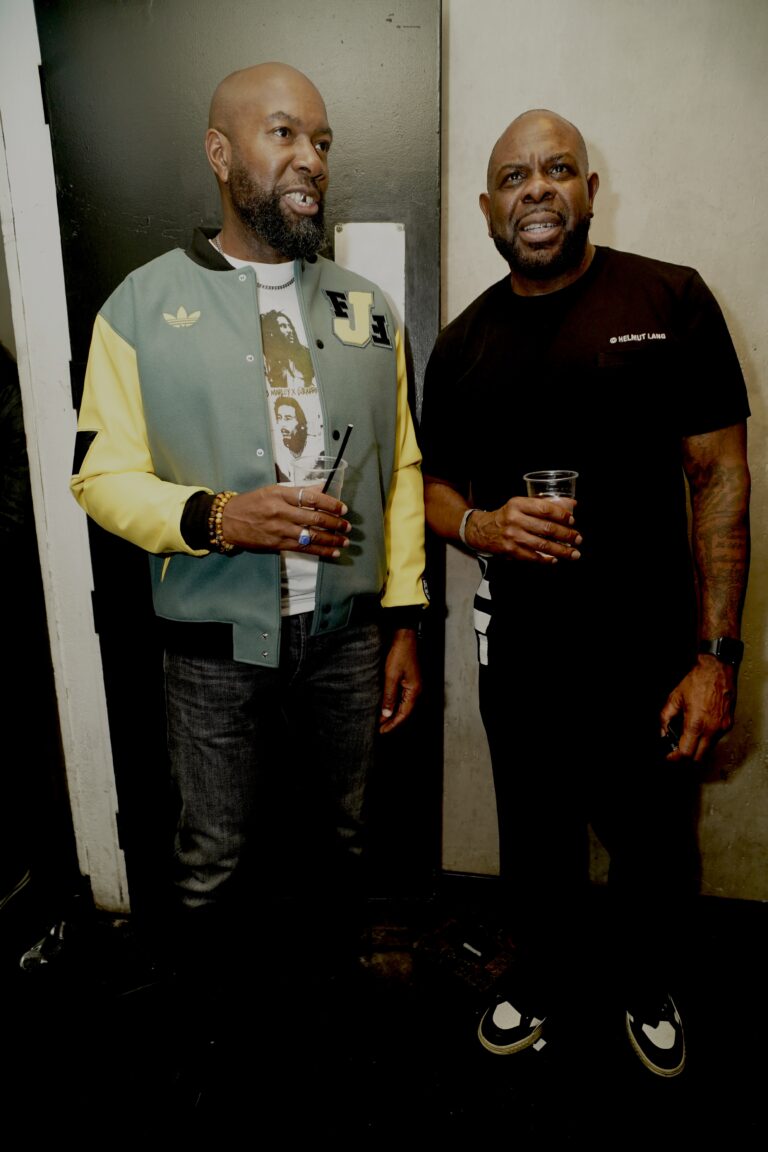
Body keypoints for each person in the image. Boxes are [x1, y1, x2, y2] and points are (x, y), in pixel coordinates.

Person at [70, 62, 428, 1035]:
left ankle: (333, 1011)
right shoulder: (137, 308)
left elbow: (401, 469)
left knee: (344, 838)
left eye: (322, 140)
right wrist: (220, 518)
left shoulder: (369, 310)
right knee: (214, 858)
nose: (311, 158)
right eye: (283, 134)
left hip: (348, 639)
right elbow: (100, 477)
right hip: (212, 649)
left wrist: (403, 619)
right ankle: (208, 1033)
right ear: (220, 154)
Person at [418, 109, 751, 1078]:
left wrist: (716, 659)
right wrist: (483, 526)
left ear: (588, 191)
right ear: (488, 207)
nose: (535, 188)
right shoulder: (463, 344)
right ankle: (544, 979)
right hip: (522, 656)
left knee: (654, 846)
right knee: (536, 843)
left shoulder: (671, 298)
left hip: (651, 654)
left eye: (556, 168)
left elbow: (720, 480)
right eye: (513, 176)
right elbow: (432, 488)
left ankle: (647, 986)